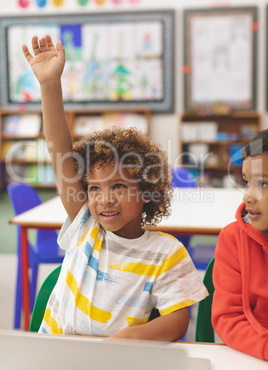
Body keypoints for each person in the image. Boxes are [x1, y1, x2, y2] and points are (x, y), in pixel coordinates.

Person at [22, 34, 207, 341]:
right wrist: (49, 85)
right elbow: (60, 152)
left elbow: (177, 322)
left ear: (147, 189)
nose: (105, 199)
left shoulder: (166, 253)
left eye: (118, 185)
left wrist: (125, 341)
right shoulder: (87, 228)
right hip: (52, 354)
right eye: (94, 189)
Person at [212, 129, 268, 361]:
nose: (248, 196)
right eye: (246, 183)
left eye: (263, 184)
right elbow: (229, 318)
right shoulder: (233, 239)